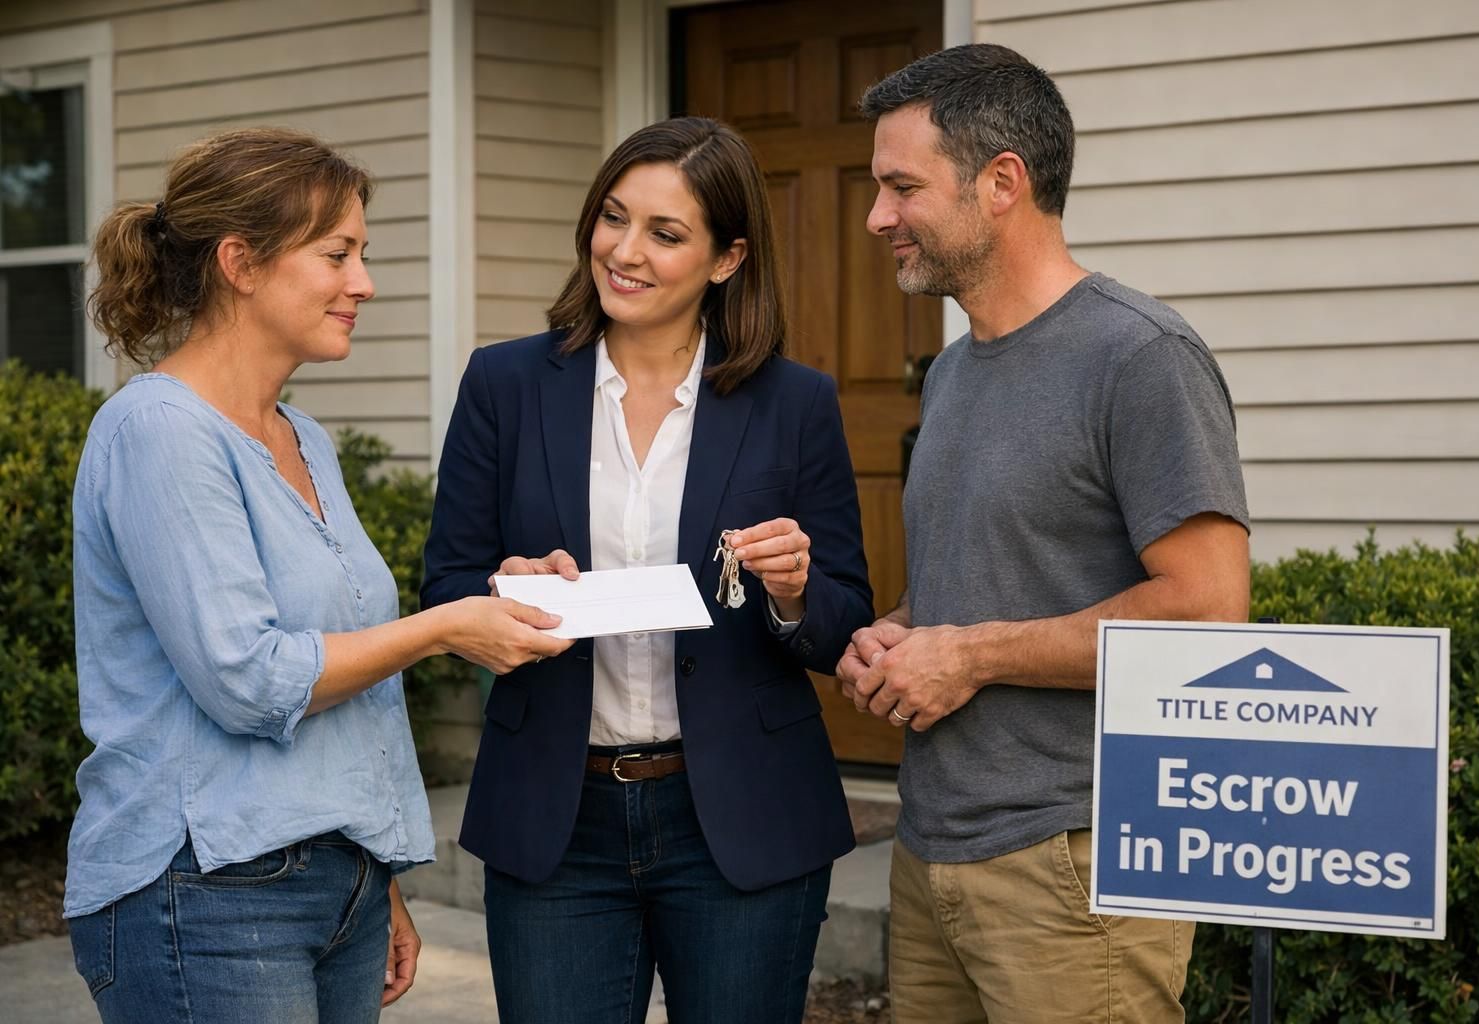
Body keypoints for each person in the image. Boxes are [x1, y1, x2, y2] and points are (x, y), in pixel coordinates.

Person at [66, 127, 570, 1024]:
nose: (364, 283)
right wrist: (446, 626)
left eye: (363, 255)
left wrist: (377, 883)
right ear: (240, 263)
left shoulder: (305, 439)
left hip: (332, 883)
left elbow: (349, 670)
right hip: (206, 890)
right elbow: (250, 681)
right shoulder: (159, 433)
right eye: (337, 254)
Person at [421, 115, 874, 1023]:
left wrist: (791, 591)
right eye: (613, 218)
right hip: (556, 815)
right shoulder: (503, 386)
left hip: (743, 817)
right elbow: (447, 588)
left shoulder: (795, 403)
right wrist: (507, 591)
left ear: (726, 258)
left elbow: (841, 621)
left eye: (665, 234)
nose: (624, 252)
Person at [837, 45, 1252, 1023]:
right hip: (931, 846)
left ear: (1001, 184)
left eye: (902, 187)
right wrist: (905, 636)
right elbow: (1002, 579)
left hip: (1075, 862)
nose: (876, 218)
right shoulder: (950, 373)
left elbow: (1205, 612)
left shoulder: (1139, 356)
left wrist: (969, 653)